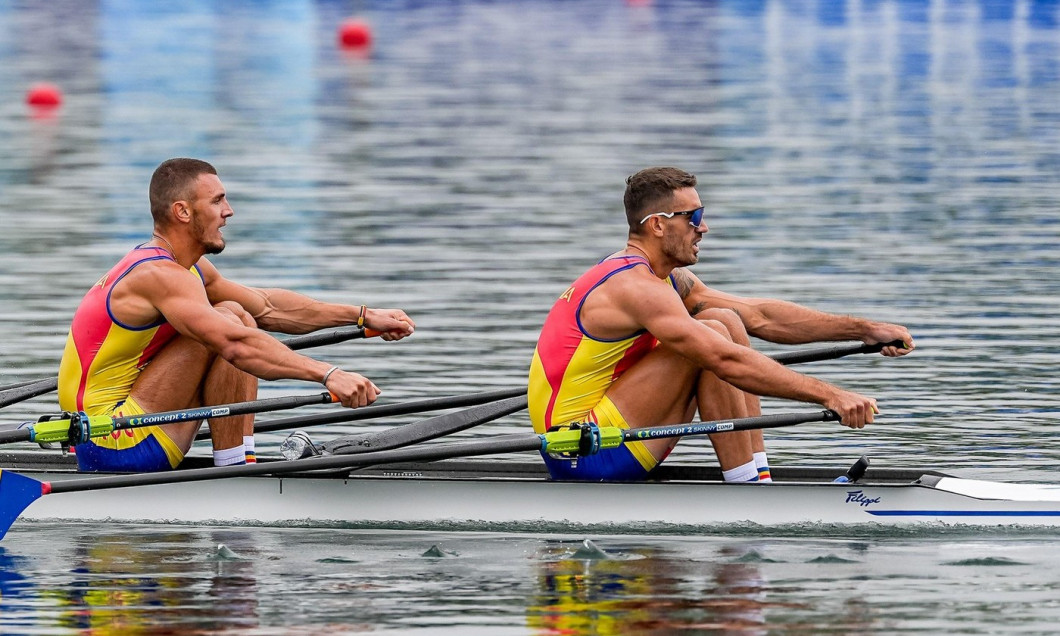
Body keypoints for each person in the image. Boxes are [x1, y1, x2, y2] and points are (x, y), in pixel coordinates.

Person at [528, 166, 914, 483]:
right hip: (581, 452)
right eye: (693, 217)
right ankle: (747, 485)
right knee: (711, 339)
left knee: (722, 318)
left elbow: (759, 315)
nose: (704, 227)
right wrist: (830, 395)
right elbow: (725, 361)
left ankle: (754, 475)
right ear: (658, 226)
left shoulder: (664, 281)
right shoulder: (635, 287)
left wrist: (863, 329)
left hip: (610, 434)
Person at [57, 158, 415, 473]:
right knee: (229, 323)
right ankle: (236, 469)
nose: (228, 210)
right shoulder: (159, 276)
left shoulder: (188, 269)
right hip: (113, 441)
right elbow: (236, 345)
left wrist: (362, 316)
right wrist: (328, 374)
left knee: (236, 313)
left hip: (131, 423)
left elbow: (267, 307)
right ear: (183, 211)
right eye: (217, 201)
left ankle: (237, 462)